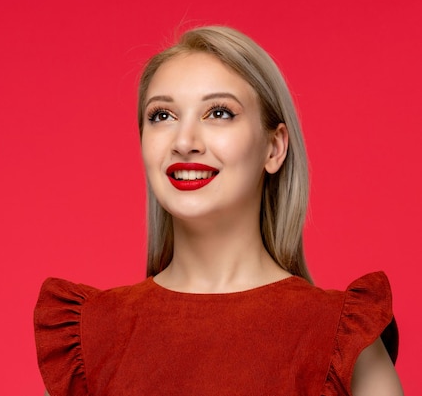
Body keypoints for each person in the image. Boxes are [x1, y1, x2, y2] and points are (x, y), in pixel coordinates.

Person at [33, 26, 403, 395]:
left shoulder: (343, 340)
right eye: (162, 116)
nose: (184, 142)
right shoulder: (90, 336)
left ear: (274, 148)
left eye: (220, 113)